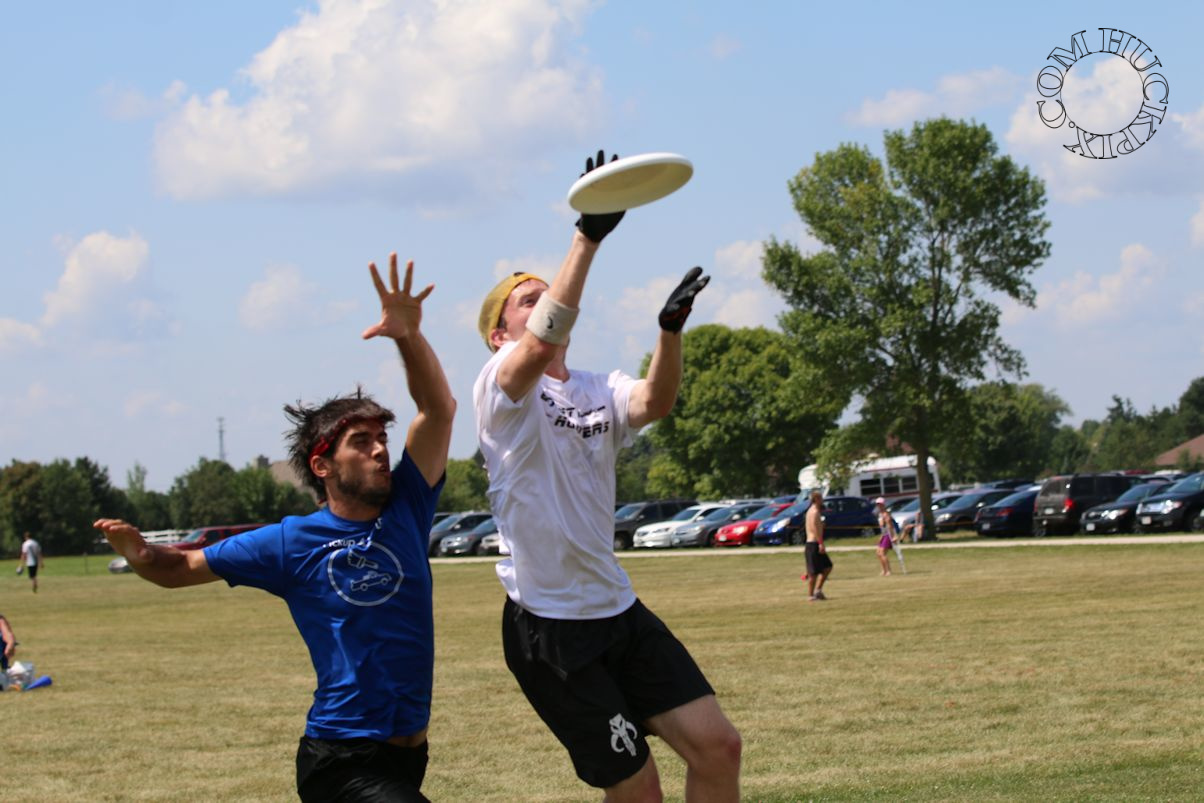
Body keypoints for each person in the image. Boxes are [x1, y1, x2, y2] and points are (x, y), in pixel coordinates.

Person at [94, 254, 454, 803]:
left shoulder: (408, 507)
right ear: (322, 465)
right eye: (361, 442)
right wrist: (141, 554)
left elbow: (438, 409)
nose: (381, 450)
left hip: (409, 755)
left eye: (382, 438)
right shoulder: (289, 542)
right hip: (340, 759)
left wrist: (407, 336)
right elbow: (181, 566)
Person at [473, 151, 742, 801]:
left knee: (719, 746)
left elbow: (654, 402)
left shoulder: (598, 386)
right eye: (529, 301)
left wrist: (669, 333)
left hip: (617, 609)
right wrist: (585, 239)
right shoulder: (502, 388)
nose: (545, 304)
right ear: (499, 335)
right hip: (548, 625)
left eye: (546, 296)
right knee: (638, 788)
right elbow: (540, 343)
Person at [804, 491, 833, 601]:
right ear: (816, 499)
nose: (822, 501)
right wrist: (821, 543)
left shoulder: (813, 511)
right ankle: (810, 595)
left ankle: (818, 590)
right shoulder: (814, 512)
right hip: (813, 544)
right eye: (820, 498)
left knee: (828, 567)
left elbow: (816, 526)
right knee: (813, 573)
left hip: (815, 543)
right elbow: (814, 529)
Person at [874, 497, 898, 576]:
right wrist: (881, 537)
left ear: (884, 504)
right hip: (884, 534)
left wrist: (894, 536)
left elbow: (890, 526)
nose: (879, 506)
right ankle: (884, 570)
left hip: (888, 535)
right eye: (878, 504)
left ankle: (888, 571)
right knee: (878, 553)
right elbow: (882, 527)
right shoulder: (880, 514)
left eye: (880, 504)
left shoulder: (886, 514)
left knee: (882, 553)